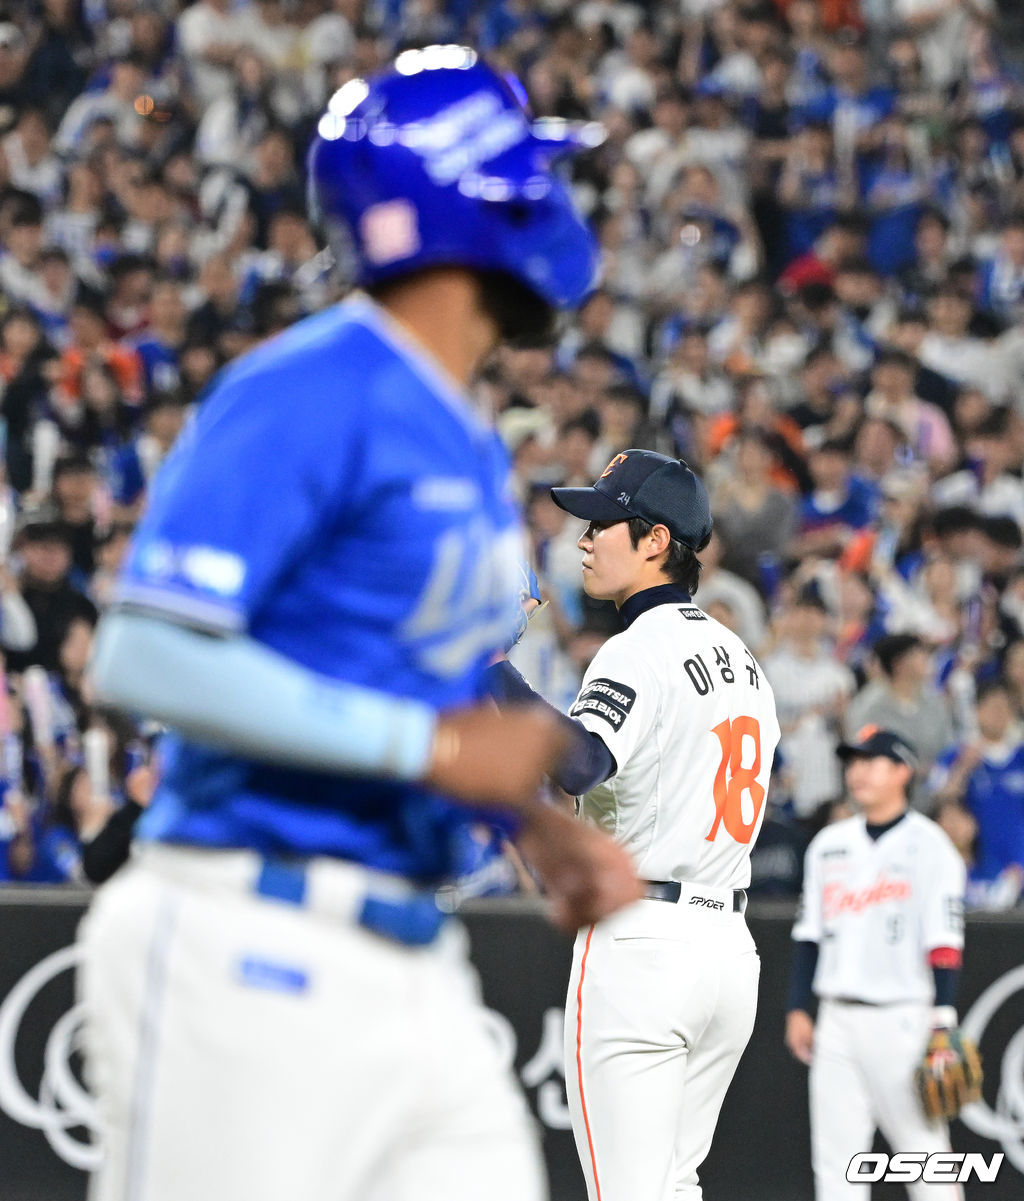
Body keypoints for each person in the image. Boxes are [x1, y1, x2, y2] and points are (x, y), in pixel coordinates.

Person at [79, 48, 641, 1201]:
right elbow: (143, 654)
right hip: (243, 931)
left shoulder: (462, 430)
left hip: (413, 958)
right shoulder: (312, 385)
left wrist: (530, 823)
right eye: (527, 180)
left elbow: (408, 684)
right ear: (467, 203)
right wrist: (428, 749)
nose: (550, 206)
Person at [522, 448, 781, 1201]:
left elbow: (579, 764)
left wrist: (489, 670)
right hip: (728, 950)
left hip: (644, 943)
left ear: (656, 540)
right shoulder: (741, 657)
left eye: (602, 523)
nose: (583, 539)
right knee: (673, 1187)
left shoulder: (637, 649)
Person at [785, 727, 970, 1201]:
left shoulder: (931, 846)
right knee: (836, 1166)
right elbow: (808, 935)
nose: (858, 772)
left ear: (903, 771)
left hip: (902, 1019)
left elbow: (945, 943)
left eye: (872, 761)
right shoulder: (828, 844)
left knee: (927, 1160)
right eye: (853, 762)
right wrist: (799, 1007)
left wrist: (943, 1020)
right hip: (836, 1020)